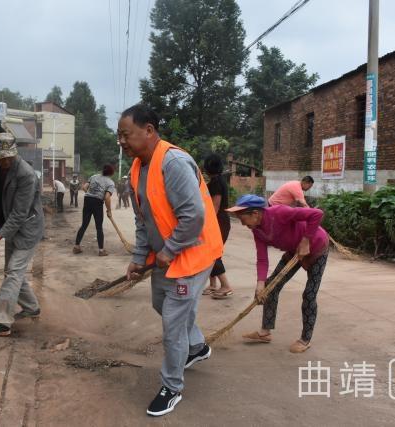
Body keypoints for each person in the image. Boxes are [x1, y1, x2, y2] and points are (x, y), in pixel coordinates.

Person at [119, 105, 223, 417]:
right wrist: (140, 257)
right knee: (159, 304)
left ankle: (172, 387)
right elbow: (143, 221)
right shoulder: (138, 168)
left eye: (126, 134)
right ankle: (197, 346)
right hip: (167, 255)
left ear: (148, 130)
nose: (121, 141)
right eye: (119, 136)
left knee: (173, 322)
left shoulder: (173, 162)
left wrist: (169, 250)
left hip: (191, 254)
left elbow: (194, 216)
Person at [226, 194, 329, 354]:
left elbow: (317, 214)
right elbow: (262, 259)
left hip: (316, 248)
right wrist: (260, 284)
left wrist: (306, 240)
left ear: (255, 214)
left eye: (242, 217)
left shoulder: (280, 213)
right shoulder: (257, 230)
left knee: (309, 294)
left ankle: (305, 339)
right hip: (293, 251)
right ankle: (265, 332)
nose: (241, 222)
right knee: (269, 286)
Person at [0, 124, 45, 337]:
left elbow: (19, 214)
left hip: (27, 228)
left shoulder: (26, 175)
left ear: (15, 152)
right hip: (9, 226)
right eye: (1, 157)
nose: (5, 161)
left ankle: (1, 322)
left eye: (9, 157)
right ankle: (32, 308)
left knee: (14, 271)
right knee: (13, 272)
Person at [201, 154, 234, 299]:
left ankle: (225, 286)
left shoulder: (215, 182)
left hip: (218, 221)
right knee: (209, 254)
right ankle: (213, 284)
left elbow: (215, 206)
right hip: (221, 220)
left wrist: (206, 225)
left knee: (213, 253)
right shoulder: (219, 180)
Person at [73, 165, 116, 256]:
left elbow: (84, 187)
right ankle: (101, 250)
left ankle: (76, 247)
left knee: (84, 225)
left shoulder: (93, 176)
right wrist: (109, 210)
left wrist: (90, 194)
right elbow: (107, 197)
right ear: (111, 173)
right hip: (97, 203)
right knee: (99, 227)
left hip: (87, 200)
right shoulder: (110, 183)